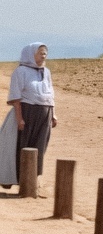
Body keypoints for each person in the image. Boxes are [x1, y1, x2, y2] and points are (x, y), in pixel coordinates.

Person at [2, 43, 57, 190]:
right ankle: (17, 179)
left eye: (45, 53)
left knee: (40, 147)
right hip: (27, 112)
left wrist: (53, 114)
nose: (44, 55)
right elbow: (16, 96)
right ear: (30, 54)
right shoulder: (20, 71)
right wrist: (20, 118)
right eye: (40, 53)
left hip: (44, 114)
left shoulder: (46, 72)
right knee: (22, 146)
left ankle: (33, 180)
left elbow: (50, 93)